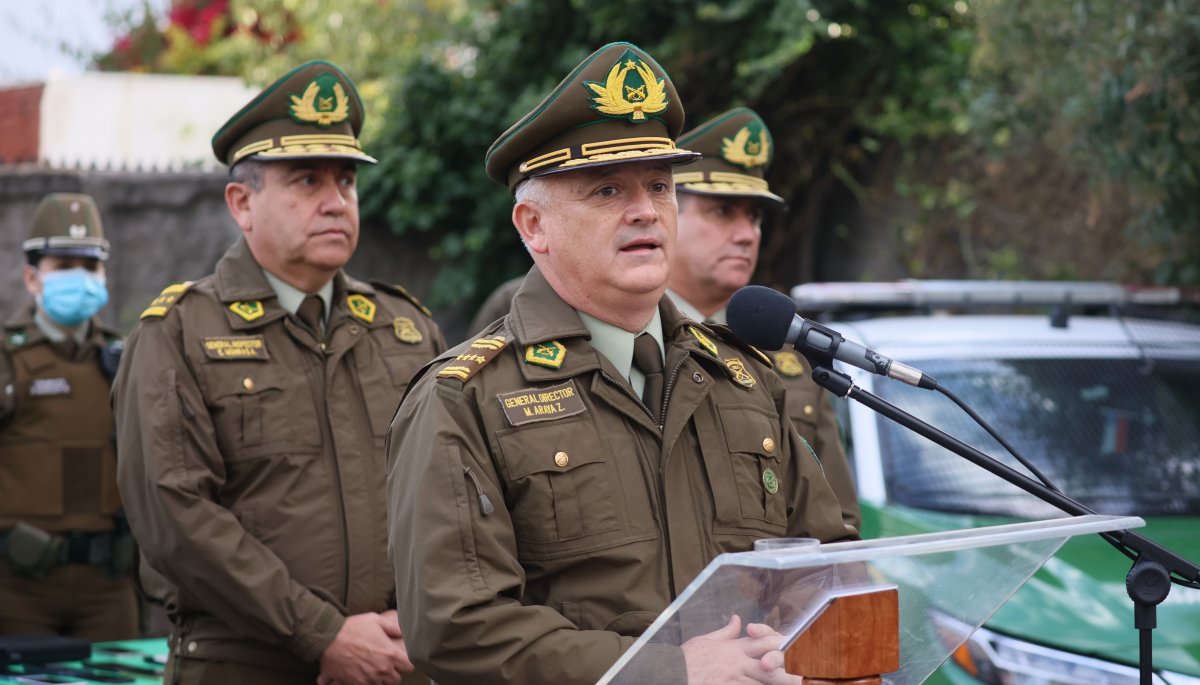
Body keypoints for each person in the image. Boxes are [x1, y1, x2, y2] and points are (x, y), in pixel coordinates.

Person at [387, 42, 856, 685]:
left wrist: (803, 654)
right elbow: (455, 626)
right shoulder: (464, 398)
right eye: (607, 189)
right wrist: (666, 673)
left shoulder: (743, 379)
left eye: (659, 187)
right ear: (534, 226)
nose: (644, 210)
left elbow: (823, 562)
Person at [114, 60, 444, 685]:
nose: (334, 201)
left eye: (345, 181)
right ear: (242, 202)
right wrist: (320, 634)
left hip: (394, 661)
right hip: (245, 664)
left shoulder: (405, 328)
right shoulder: (179, 333)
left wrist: (417, 623)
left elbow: (451, 494)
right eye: (306, 181)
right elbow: (175, 519)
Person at [668, 108, 861, 530]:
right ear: (665, 215)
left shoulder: (786, 349)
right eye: (723, 212)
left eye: (754, 217)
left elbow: (839, 522)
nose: (747, 233)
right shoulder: (620, 336)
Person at [0, 193, 136, 641]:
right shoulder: (7, 356)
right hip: (20, 585)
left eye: (90, 265)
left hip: (108, 587)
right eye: (63, 266)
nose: (79, 277)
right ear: (32, 278)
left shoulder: (125, 357)